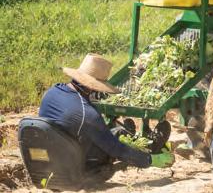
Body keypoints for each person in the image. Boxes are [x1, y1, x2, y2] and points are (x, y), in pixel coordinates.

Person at [38, 53, 174, 171]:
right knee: (117, 138)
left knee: (115, 132)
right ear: (92, 88)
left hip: (51, 160)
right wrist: (151, 160)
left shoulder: (51, 92)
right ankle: (151, 149)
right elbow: (116, 149)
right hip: (76, 169)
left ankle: (131, 136)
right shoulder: (87, 114)